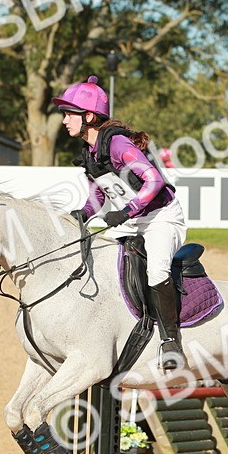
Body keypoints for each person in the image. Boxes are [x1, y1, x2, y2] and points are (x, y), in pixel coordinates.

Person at [53, 75, 187, 370]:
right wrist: (84, 213)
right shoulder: (91, 152)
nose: (64, 120)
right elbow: (98, 194)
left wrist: (127, 211)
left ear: (89, 116)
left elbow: (154, 180)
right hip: (133, 219)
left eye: (69, 113)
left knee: (156, 270)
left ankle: (171, 342)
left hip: (161, 217)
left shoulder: (117, 144)